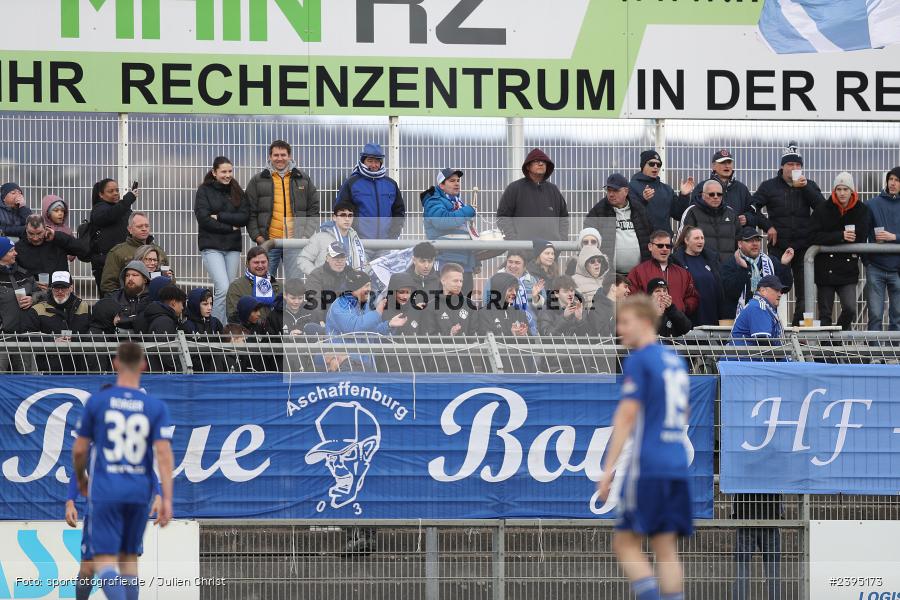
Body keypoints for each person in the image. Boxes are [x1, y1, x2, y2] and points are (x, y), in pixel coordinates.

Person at [597, 294, 693, 600]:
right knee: (665, 547)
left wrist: (607, 469)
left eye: (625, 322)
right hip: (677, 464)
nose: (620, 330)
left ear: (642, 322)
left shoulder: (639, 359)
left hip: (648, 465)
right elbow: (685, 411)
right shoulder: (675, 360)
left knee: (625, 543)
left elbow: (626, 416)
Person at [71, 341, 174, 600]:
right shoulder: (155, 406)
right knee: (129, 559)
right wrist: (167, 498)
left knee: (103, 562)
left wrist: (82, 479)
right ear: (144, 365)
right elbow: (163, 455)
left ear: (116, 363)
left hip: (106, 490)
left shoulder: (98, 402)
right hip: (139, 492)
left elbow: (80, 450)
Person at [749, 144, 824, 325]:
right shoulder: (769, 186)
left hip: (803, 247)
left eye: (798, 165)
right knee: (773, 289)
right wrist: (768, 226)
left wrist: (805, 188)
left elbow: (823, 209)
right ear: (782, 166)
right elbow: (752, 208)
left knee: (805, 293)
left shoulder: (810, 185)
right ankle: (771, 326)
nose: (794, 168)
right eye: (790, 164)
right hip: (778, 247)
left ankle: (798, 332)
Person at [246, 140, 320, 277]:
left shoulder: (303, 179)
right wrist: (259, 237)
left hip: (295, 242)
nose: (279, 158)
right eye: (276, 155)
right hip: (269, 243)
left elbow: (314, 209)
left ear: (289, 156)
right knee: (264, 285)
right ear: (270, 157)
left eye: (283, 155)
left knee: (294, 287)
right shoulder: (257, 180)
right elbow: (249, 212)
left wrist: (305, 236)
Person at [808, 172, 870, 329]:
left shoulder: (861, 209)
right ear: (834, 191)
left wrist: (850, 238)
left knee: (850, 309)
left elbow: (863, 234)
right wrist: (840, 236)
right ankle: (825, 349)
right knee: (825, 314)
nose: (842, 193)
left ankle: (836, 339)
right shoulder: (822, 209)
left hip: (848, 270)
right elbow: (812, 236)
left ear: (852, 191)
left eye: (845, 189)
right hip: (824, 269)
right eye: (839, 189)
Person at [194, 156, 250, 324]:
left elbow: (244, 217)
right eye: (223, 171)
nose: (227, 175)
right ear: (214, 172)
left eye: (230, 171)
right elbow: (203, 219)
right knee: (223, 288)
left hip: (232, 247)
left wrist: (219, 216)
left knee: (230, 290)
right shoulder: (204, 191)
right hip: (211, 247)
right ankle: (216, 329)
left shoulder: (238, 191)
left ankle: (226, 328)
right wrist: (229, 227)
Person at [422, 168, 477, 292]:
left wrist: (474, 260)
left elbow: (467, 233)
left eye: (458, 180)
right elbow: (442, 222)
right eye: (452, 181)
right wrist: (467, 211)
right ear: (441, 185)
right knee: (444, 302)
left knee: (465, 301)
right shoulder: (433, 201)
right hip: (444, 260)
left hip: (464, 261)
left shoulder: (459, 203)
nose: (457, 183)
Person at [496, 148, 570, 242]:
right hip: (521, 252)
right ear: (528, 166)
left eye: (544, 161)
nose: (541, 163)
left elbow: (563, 218)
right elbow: (503, 217)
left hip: (550, 252)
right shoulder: (514, 188)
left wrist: (561, 242)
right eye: (536, 161)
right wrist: (514, 243)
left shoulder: (553, 190)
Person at [335, 142, 405, 241]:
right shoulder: (351, 183)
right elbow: (341, 211)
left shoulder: (391, 184)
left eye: (377, 161)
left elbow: (399, 211)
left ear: (381, 163)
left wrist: (393, 235)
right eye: (370, 161)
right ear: (363, 161)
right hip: (359, 241)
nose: (374, 165)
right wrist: (351, 235)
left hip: (386, 243)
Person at [585, 174, 651, 275]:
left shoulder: (639, 209)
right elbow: (588, 240)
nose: (611, 194)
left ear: (626, 191)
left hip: (638, 274)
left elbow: (649, 236)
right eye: (609, 190)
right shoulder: (598, 211)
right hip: (610, 275)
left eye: (615, 191)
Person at [721, 227, 794, 317]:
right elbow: (731, 293)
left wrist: (784, 265)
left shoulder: (771, 261)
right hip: (740, 320)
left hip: (766, 317)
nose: (755, 244)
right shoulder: (730, 263)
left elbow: (785, 287)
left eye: (757, 240)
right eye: (749, 241)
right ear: (740, 244)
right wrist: (743, 269)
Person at [628, 231, 700, 317]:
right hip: (649, 322)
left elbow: (692, 297)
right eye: (660, 246)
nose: (665, 249)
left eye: (668, 246)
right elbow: (630, 297)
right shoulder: (638, 271)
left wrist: (682, 308)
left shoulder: (683, 273)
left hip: (676, 323)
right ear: (650, 247)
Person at [679, 149, 755, 226]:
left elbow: (754, 213)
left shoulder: (742, 189)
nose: (727, 166)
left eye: (729, 162)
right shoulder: (702, 187)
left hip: (736, 236)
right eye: (723, 162)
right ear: (713, 166)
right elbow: (691, 214)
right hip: (708, 234)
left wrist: (747, 218)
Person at [88, 178, 139, 293]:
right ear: (101, 194)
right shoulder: (99, 209)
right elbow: (111, 215)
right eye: (110, 191)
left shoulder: (124, 210)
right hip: (105, 265)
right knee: (109, 298)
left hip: (125, 263)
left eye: (117, 190)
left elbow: (133, 228)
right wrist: (127, 200)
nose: (115, 193)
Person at [100, 212, 168, 296]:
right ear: (130, 229)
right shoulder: (118, 252)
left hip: (156, 300)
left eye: (147, 226)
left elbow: (169, 277)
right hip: (129, 302)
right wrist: (121, 302)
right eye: (140, 226)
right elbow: (108, 284)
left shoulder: (159, 251)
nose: (144, 229)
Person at [865, 166, 900, 331]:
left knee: (898, 316)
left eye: (897, 180)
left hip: (898, 269)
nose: (893, 183)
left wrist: (894, 237)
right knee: (875, 315)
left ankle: (895, 354)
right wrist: (867, 262)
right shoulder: (871, 204)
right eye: (891, 179)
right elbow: (861, 234)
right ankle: (874, 355)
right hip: (876, 267)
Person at [628, 150, 694, 235]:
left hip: (664, 243)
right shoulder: (631, 186)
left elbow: (679, 215)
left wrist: (684, 196)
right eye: (651, 164)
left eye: (659, 165)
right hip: (642, 240)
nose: (655, 167)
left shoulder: (667, 189)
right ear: (643, 165)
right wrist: (643, 199)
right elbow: (628, 212)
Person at [673, 226, 725, 327]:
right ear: (686, 241)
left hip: (712, 313)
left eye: (702, 238)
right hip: (690, 316)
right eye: (696, 238)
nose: (700, 241)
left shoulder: (711, 259)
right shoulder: (677, 261)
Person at [296, 201, 367, 276]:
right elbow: (303, 259)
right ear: (334, 217)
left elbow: (363, 264)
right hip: (326, 286)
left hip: (352, 285)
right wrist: (317, 275)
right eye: (343, 215)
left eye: (350, 215)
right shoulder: (320, 238)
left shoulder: (355, 240)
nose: (347, 219)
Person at [326, 270, 406, 335]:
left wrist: (388, 325)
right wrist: (377, 313)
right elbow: (353, 328)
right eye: (367, 286)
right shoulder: (341, 304)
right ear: (356, 287)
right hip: (343, 353)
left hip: (363, 353)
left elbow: (371, 332)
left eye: (370, 285)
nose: (370, 289)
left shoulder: (365, 304)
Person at [677, 179, 740, 262]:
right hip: (701, 268)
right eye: (711, 194)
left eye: (719, 194)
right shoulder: (692, 212)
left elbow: (739, 243)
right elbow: (681, 243)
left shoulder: (731, 213)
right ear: (703, 195)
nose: (716, 197)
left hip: (727, 269)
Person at [14, 214, 85, 278]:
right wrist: (33, 285)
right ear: (26, 230)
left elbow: (82, 249)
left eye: (39, 233)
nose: (35, 238)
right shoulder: (18, 248)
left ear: (45, 229)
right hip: (33, 290)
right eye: (31, 234)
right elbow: (16, 275)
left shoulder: (58, 241)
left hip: (60, 289)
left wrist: (57, 236)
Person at [92, 260, 151, 332]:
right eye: (127, 275)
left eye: (135, 275)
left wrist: (122, 320)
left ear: (145, 279)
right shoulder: (113, 297)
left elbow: (149, 319)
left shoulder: (151, 298)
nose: (130, 278)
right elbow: (103, 319)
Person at [225, 247, 281, 320]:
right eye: (256, 262)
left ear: (268, 263)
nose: (260, 265)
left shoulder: (278, 286)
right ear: (247, 264)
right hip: (249, 330)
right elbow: (233, 316)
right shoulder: (236, 287)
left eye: (263, 262)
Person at [26, 270, 90, 334]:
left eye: (64, 287)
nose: (60, 291)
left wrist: (74, 341)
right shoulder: (37, 310)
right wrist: (53, 341)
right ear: (51, 288)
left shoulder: (84, 307)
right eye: (56, 287)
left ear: (71, 288)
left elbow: (91, 333)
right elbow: (28, 337)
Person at [0, 236, 41, 334]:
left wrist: (33, 299)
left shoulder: (24, 273)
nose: (16, 253)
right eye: (11, 251)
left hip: (30, 334)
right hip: (4, 337)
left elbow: (43, 294)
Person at [730, 275, 787, 345]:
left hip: (749, 354)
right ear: (763, 291)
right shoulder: (759, 307)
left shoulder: (760, 305)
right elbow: (763, 340)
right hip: (746, 355)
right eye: (776, 290)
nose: (780, 294)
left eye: (780, 291)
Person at [305, 242, 352, 324]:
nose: (339, 262)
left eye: (342, 258)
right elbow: (315, 300)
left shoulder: (352, 274)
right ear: (327, 258)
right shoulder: (316, 275)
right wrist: (320, 320)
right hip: (324, 321)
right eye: (336, 258)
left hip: (348, 319)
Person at [479, 272, 534, 337]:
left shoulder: (519, 313)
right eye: (510, 290)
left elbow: (531, 342)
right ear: (499, 290)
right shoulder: (484, 313)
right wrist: (511, 334)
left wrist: (524, 334)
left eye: (516, 290)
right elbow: (485, 340)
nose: (514, 293)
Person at [433, 263, 478, 336]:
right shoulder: (431, 306)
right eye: (455, 281)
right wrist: (449, 334)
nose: (459, 284)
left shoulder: (470, 305)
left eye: (461, 281)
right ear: (443, 281)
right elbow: (427, 338)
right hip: (442, 347)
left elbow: (475, 334)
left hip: (467, 347)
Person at [381, 272, 432, 336]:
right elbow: (373, 335)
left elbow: (424, 337)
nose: (405, 296)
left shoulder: (417, 311)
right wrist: (389, 325)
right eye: (401, 292)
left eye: (408, 292)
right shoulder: (381, 310)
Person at [572, 244, 611, 310]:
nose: (597, 263)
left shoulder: (607, 280)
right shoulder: (573, 281)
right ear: (584, 263)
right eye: (592, 261)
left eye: (599, 260)